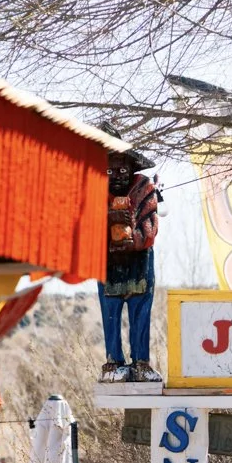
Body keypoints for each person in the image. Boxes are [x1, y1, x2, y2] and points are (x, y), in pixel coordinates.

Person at [99, 155, 162, 383]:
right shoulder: (94, 192)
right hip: (107, 265)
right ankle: (113, 362)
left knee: (140, 313)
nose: (116, 177)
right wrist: (107, 221)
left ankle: (141, 363)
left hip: (140, 265)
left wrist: (134, 238)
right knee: (111, 314)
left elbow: (151, 226)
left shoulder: (144, 189)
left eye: (122, 171)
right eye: (109, 172)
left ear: (132, 169)